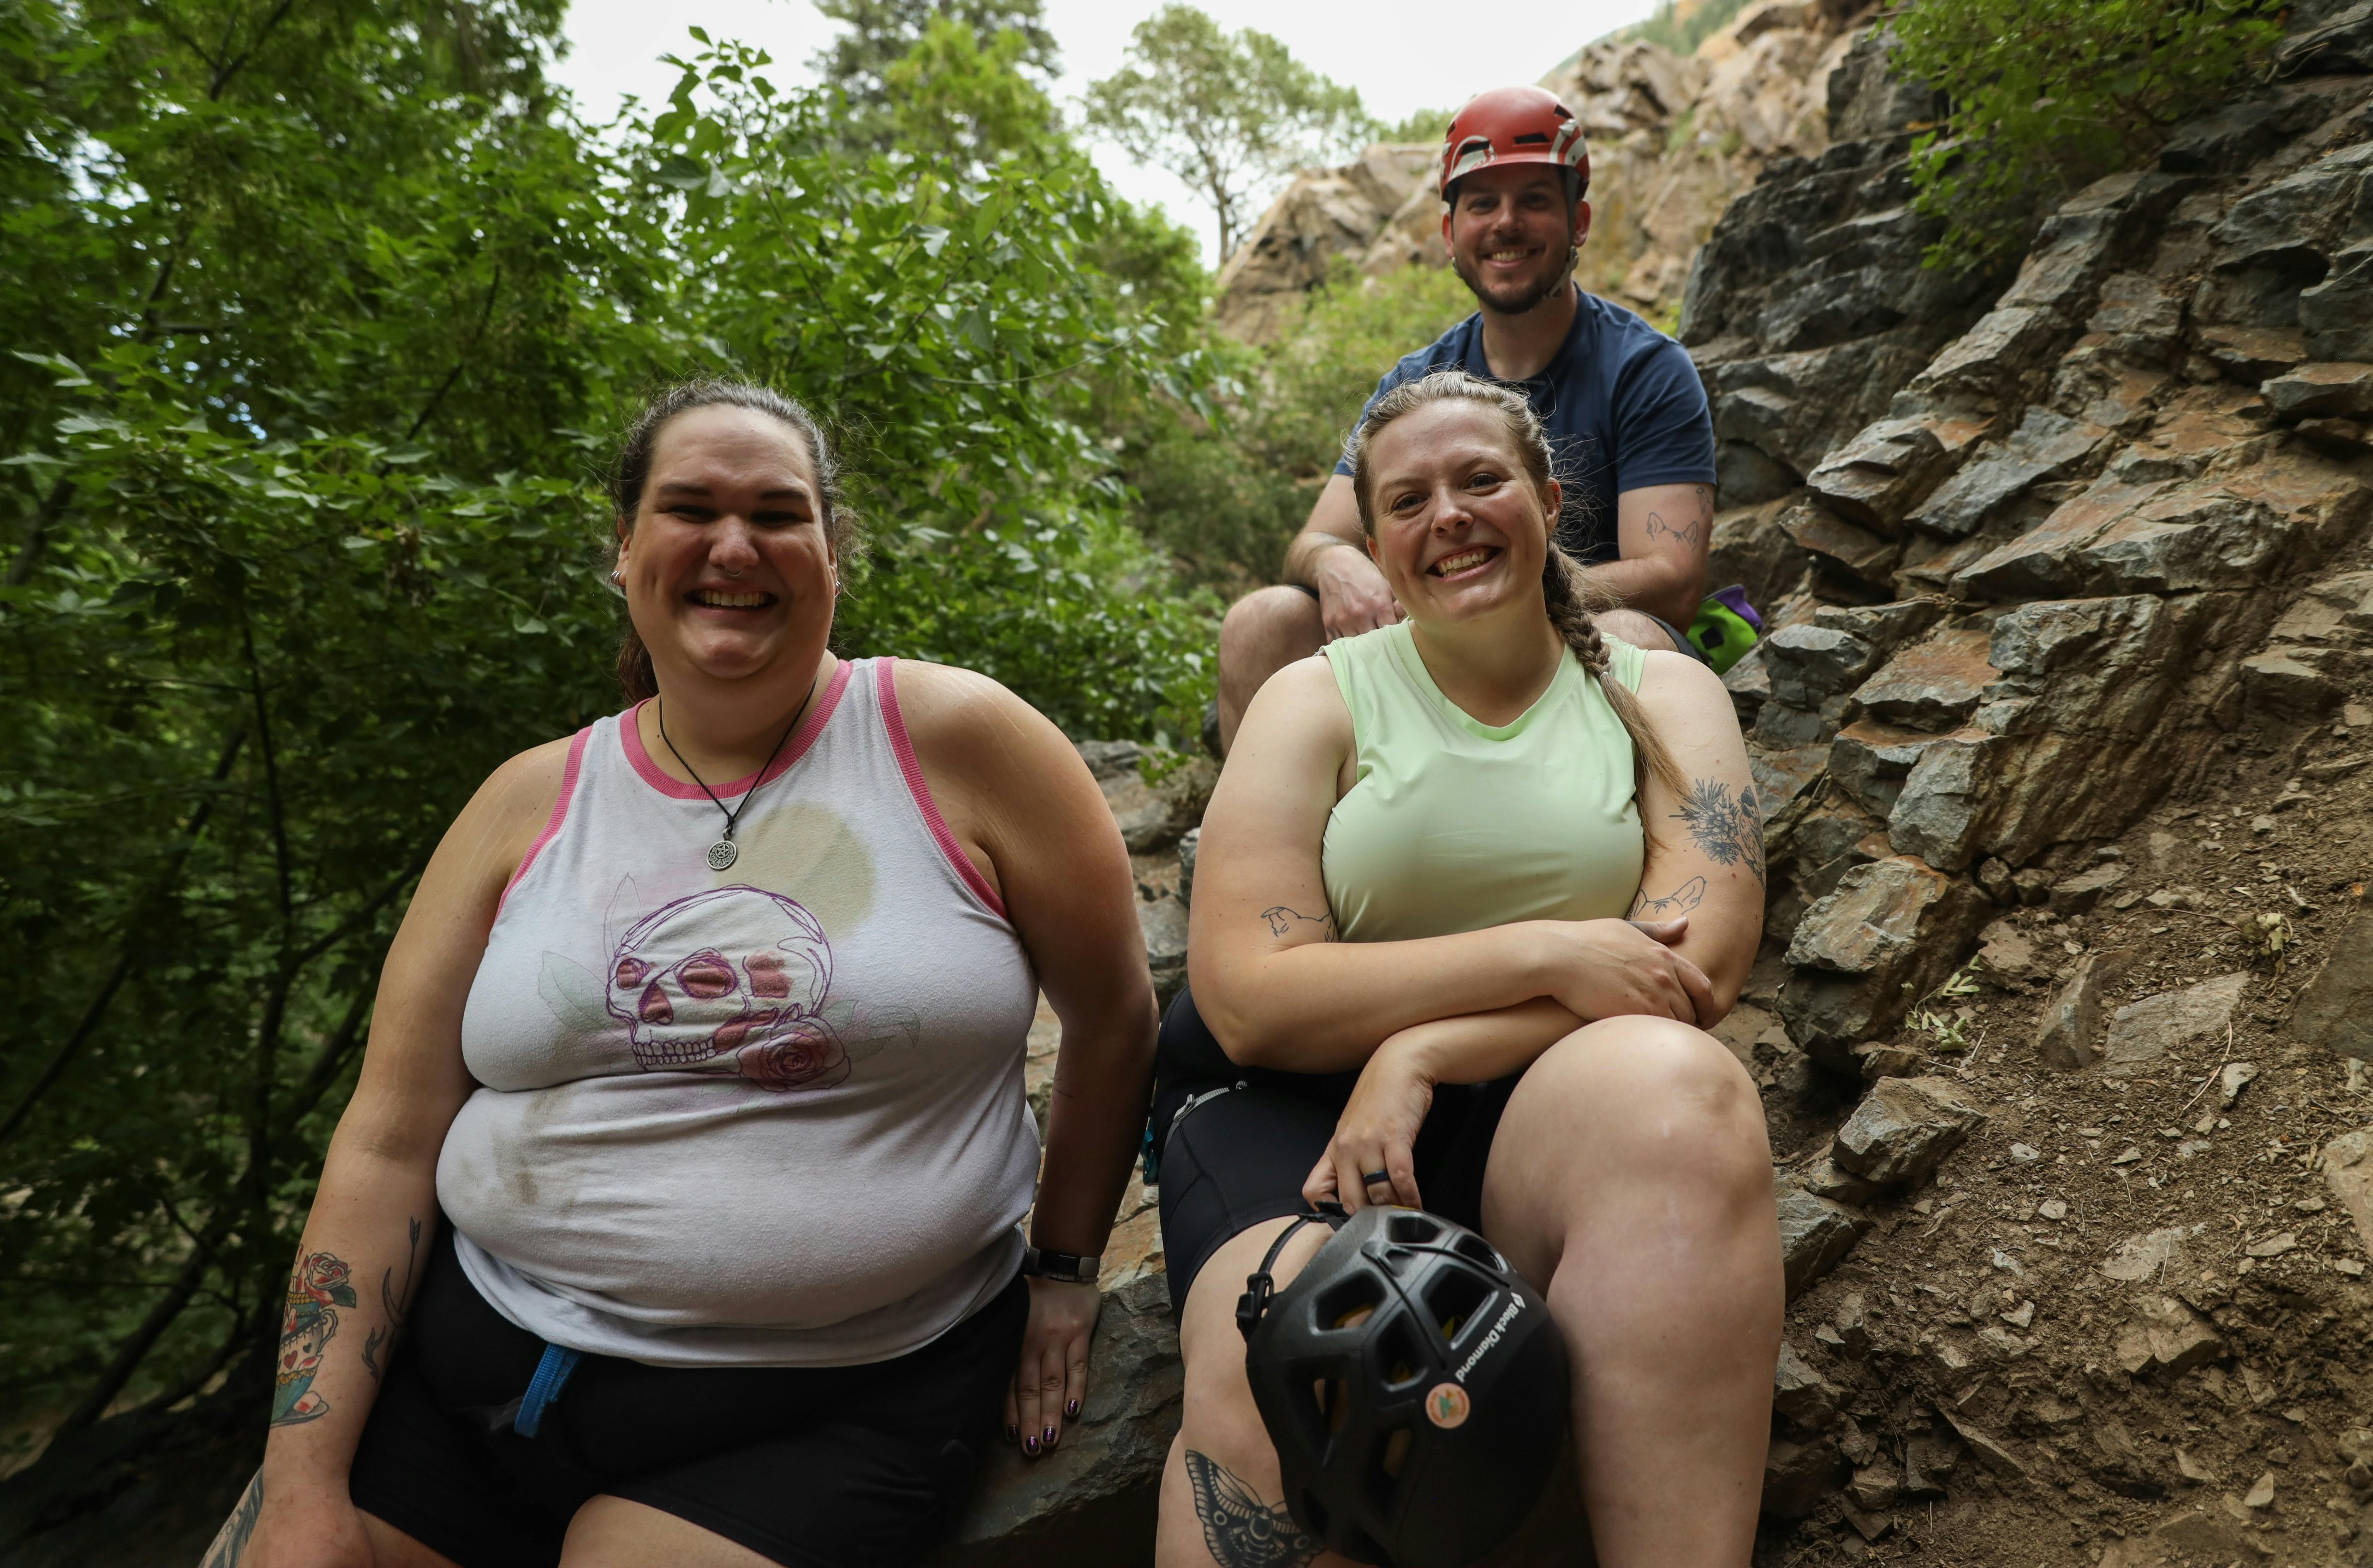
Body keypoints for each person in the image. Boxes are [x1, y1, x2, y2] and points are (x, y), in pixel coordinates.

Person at [202, 380, 1156, 1568]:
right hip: (467, 1366)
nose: (734, 546)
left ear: (834, 551)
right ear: (624, 550)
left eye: (778, 512)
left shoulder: (963, 741)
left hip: (834, 1401)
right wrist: (301, 1485)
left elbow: (1116, 1013)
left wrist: (1065, 1268)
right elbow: (388, 1140)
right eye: (690, 507)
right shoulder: (523, 801)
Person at [1153, 372, 1779, 1568]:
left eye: (1482, 481)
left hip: (1541, 1091)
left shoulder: (1665, 696)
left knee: (1685, 1093)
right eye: (1409, 499)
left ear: (1548, 502)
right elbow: (1248, 997)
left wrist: (1425, 1049)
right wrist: (1547, 948)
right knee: (1305, 1355)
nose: (1449, 516)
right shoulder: (1313, 699)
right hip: (1290, 1104)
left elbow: (1687, 978)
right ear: (1378, 549)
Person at [1213, 85, 1720, 754]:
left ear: (1580, 221)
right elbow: (1311, 543)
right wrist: (1339, 564)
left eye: (1535, 200)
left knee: (1634, 635)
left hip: (1573, 645)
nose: (1506, 222)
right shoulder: (1415, 383)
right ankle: (1269, 843)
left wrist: (1493, 590)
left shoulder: (1645, 370)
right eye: (1482, 203)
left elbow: (1673, 582)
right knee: (1264, 620)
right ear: (1452, 232)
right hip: (1432, 640)